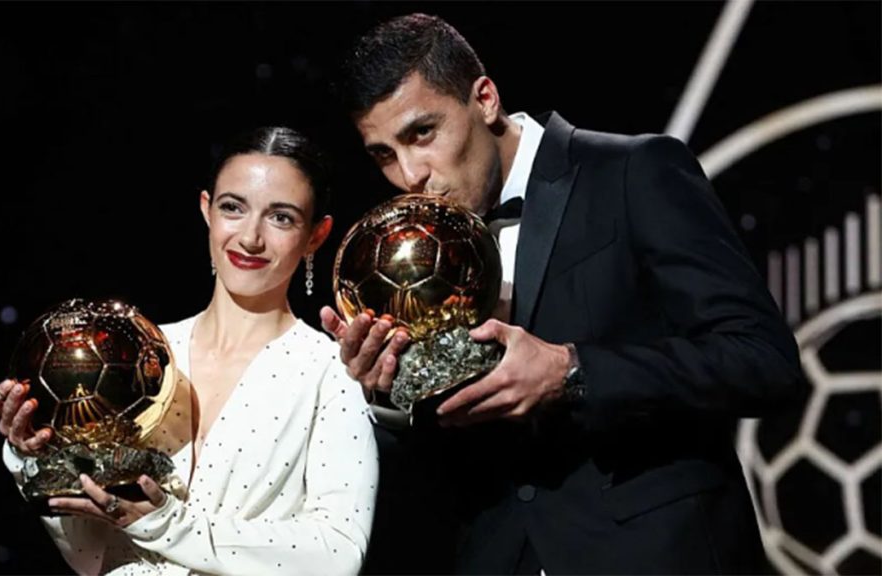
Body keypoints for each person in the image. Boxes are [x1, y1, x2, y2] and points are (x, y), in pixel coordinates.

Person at [320, 13, 805, 574]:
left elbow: (764, 361)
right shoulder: (408, 256)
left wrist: (572, 371)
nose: (410, 174)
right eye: (383, 154)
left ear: (484, 99)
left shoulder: (633, 171)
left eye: (422, 133)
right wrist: (390, 396)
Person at [0, 126, 378, 575]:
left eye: (281, 217)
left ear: (316, 235)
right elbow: (91, 555)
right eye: (234, 208)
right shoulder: (141, 356)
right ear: (207, 209)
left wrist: (168, 525)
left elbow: (337, 554)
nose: (250, 238)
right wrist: (34, 458)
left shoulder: (330, 371)